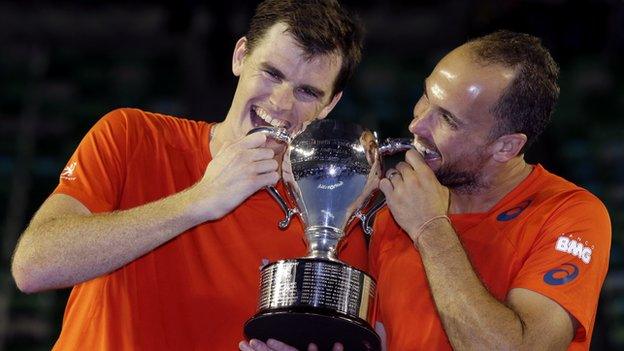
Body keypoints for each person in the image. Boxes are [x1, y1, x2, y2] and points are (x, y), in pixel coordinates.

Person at [10, 0, 367, 349]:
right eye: (272, 73)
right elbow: (34, 266)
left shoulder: (329, 217)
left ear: (330, 104)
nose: (281, 103)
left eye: (307, 92)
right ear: (240, 56)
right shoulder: (131, 135)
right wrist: (201, 199)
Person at [371, 30, 611, 350]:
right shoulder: (392, 209)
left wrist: (430, 227)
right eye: (427, 95)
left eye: (448, 120)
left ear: (506, 147)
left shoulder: (569, 213)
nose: (417, 124)